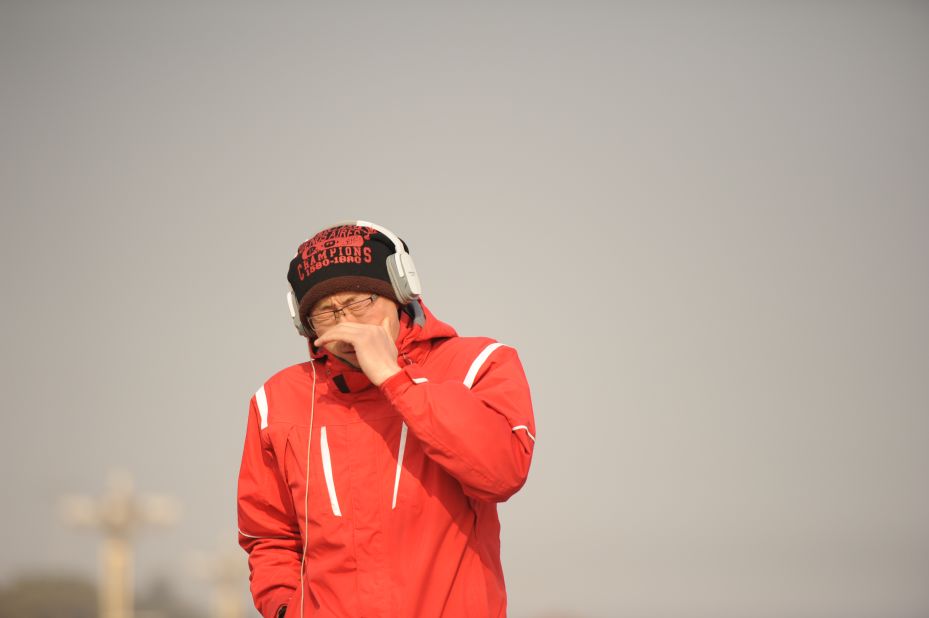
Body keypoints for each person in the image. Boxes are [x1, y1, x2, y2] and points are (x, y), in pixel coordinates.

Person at [236, 221, 536, 618]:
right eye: (327, 312)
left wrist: (395, 380)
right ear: (304, 324)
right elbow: (268, 536)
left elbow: (502, 471)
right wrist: (284, 609)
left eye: (360, 303)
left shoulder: (479, 364)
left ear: (398, 292)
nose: (348, 324)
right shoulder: (276, 400)